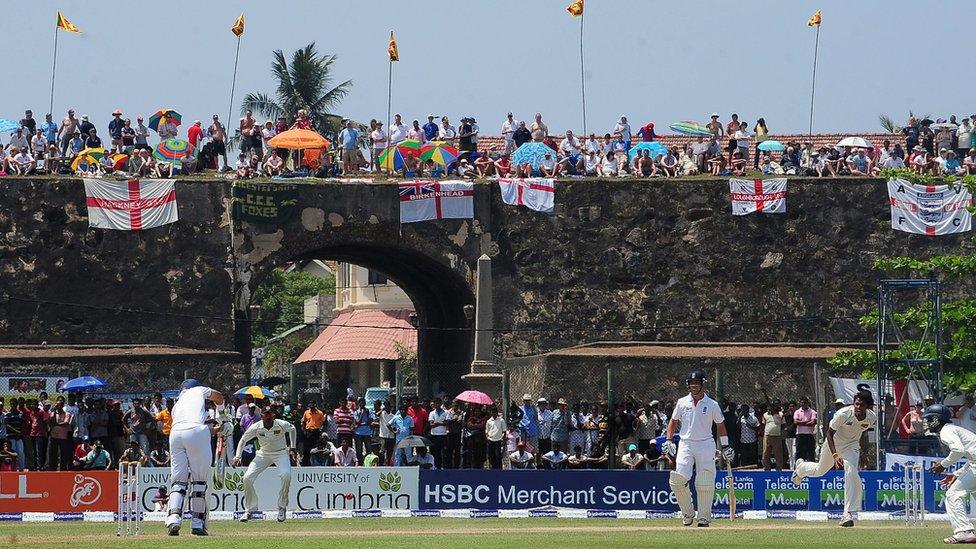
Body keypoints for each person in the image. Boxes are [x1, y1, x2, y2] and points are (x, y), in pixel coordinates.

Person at [792, 391, 876, 528]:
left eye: (862, 405)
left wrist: (863, 453)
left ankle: (847, 514)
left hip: (852, 446)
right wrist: (835, 455)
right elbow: (829, 434)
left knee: (851, 472)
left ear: (868, 406)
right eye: (857, 404)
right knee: (820, 471)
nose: (858, 407)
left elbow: (861, 433)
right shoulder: (843, 414)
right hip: (834, 443)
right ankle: (801, 468)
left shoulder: (871, 418)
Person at [663, 370, 734, 528]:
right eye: (691, 383)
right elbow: (673, 421)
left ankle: (703, 518)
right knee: (677, 480)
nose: (694, 385)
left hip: (706, 444)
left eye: (697, 383)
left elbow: (720, 425)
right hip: (686, 444)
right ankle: (687, 514)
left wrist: (726, 446)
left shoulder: (712, 404)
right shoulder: (682, 402)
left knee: (705, 482)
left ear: (703, 384)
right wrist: (669, 440)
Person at [166, 379, 228, 537]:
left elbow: (194, 429)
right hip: (194, 431)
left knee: (178, 480)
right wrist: (222, 416)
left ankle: (174, 518)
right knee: (200, 480)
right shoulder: (199, 390)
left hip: (175, 434)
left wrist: (217, 429)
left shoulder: (177, 403)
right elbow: (219, 397)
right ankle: (197, 523)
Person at [922, 404, 976, 544]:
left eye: (929, 419)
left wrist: (943, 465)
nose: (926, 423)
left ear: (936, 420)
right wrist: (956, 474)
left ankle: (963, 532)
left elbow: (958, 450)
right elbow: (972, 457)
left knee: (953, 495)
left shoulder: (946, 430)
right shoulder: (953, 429)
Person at [235, 406, 297, 523]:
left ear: (274, 415)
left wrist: (293, 447)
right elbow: (243, 440)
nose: (268, 416)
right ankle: (249, 510)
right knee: (247, 478)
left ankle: (282, 507)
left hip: (281, 453)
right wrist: (237, 456)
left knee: (286, 475)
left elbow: (292, 429)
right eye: (265, 414)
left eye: (270, 414)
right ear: (262, 415)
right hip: (263, 454)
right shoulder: (256, 427)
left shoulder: (281, 424)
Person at [793, 397, 817, 462]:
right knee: (799, 452)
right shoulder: (797, 412)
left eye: (805, 402)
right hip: (800, 435)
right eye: (802, 402)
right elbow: (795, 422)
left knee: (810, 452)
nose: (803, 404)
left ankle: (811, 468)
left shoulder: (812, 412)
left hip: (809, 435)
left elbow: (812, 422)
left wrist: (801, 422)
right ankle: (798, 468)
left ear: (807, 403)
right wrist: (807, 421)